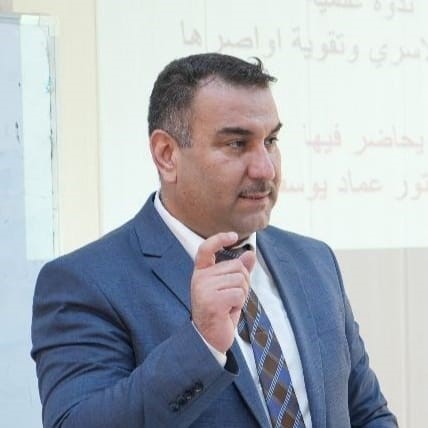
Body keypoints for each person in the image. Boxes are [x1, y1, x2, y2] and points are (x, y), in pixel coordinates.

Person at [31, 53, 397, 428]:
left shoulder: (314, 262)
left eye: (271, 140)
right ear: (166, 155)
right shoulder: (84, 282)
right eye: (237, 144)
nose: (265, 168)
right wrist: (201, 343)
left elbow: (367, 414)